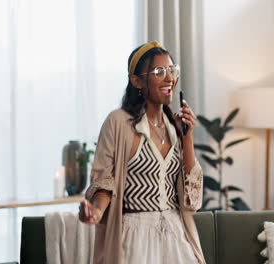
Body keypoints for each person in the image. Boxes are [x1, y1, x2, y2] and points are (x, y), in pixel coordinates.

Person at [78, 41, 205, 264]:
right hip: (135, 239)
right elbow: (105, 181)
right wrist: (96, 211)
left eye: (172, 70)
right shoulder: (117, 122)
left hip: (176, 238)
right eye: (159, 72)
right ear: (137, 81)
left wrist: (188, 137)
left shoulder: (175, 127)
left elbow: (190, 199)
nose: (170, 79)